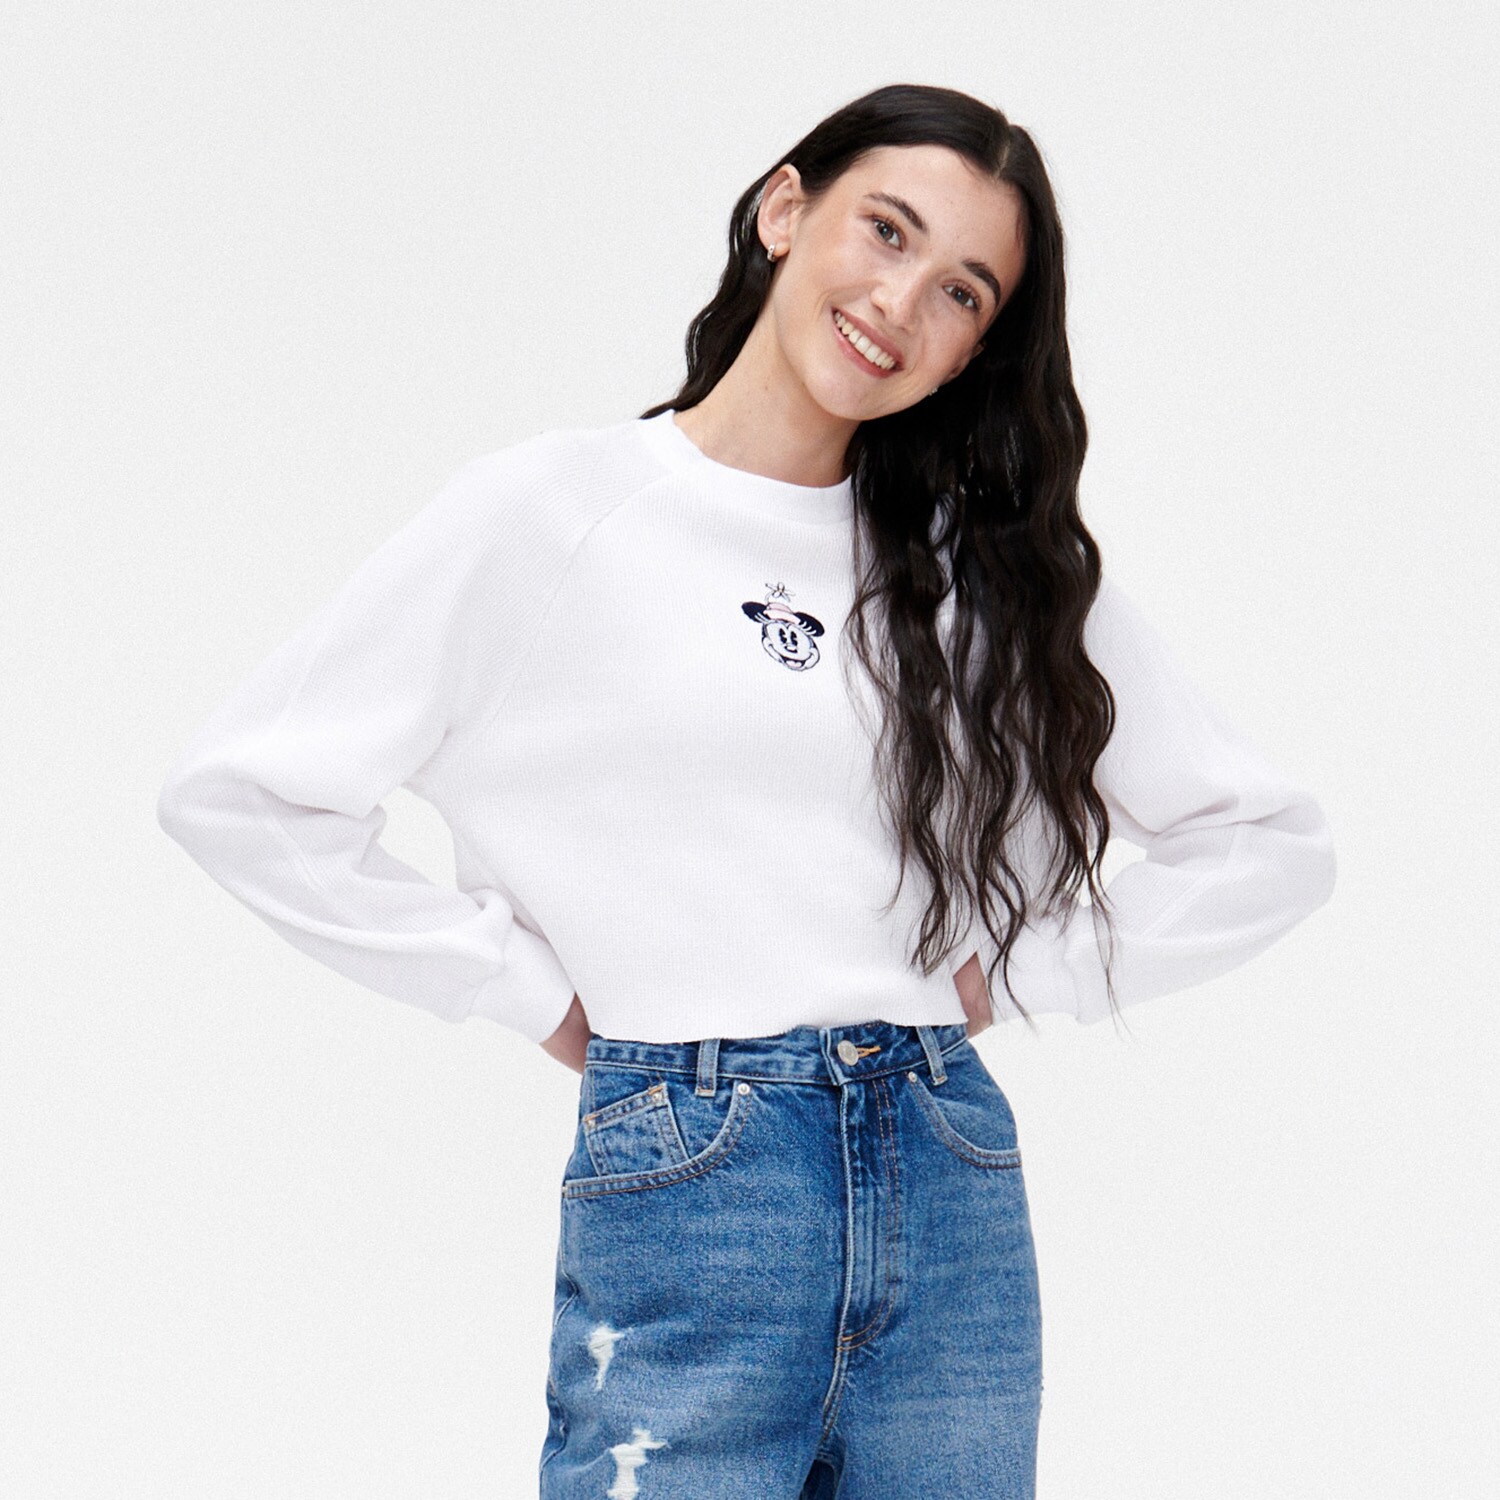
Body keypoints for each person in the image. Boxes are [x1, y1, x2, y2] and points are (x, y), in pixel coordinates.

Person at [156, 82, 1336, 1499]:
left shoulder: (977, 567)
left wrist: (1026, 974)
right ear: (786, 208)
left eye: (962, 291)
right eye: (886, 231)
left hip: (947, 1173)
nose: (902, 303)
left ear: (977, 348)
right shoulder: (554, 513)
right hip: (691, 1168)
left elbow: (1266, 840)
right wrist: (518, 989)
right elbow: (244, 793)